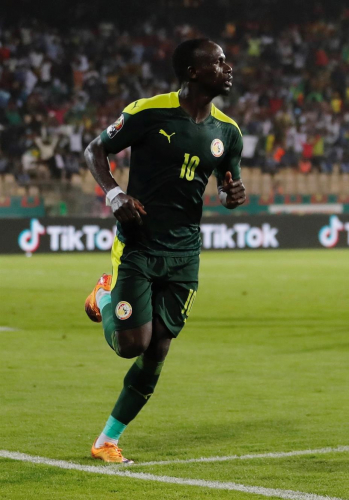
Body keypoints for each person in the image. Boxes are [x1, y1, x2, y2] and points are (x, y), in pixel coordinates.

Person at [82, 39, 246, 463]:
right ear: (193, 71)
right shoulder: (149, 111)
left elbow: (228, 186)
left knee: (157, 351)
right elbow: (95, 149)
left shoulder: (228, 133)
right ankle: (104, 293)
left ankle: (107, 441)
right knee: (131, 345)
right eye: (218, 62)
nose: (228, 68)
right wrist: (115, 193)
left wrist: (232, 195)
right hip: (139, 244)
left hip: (185, 252)